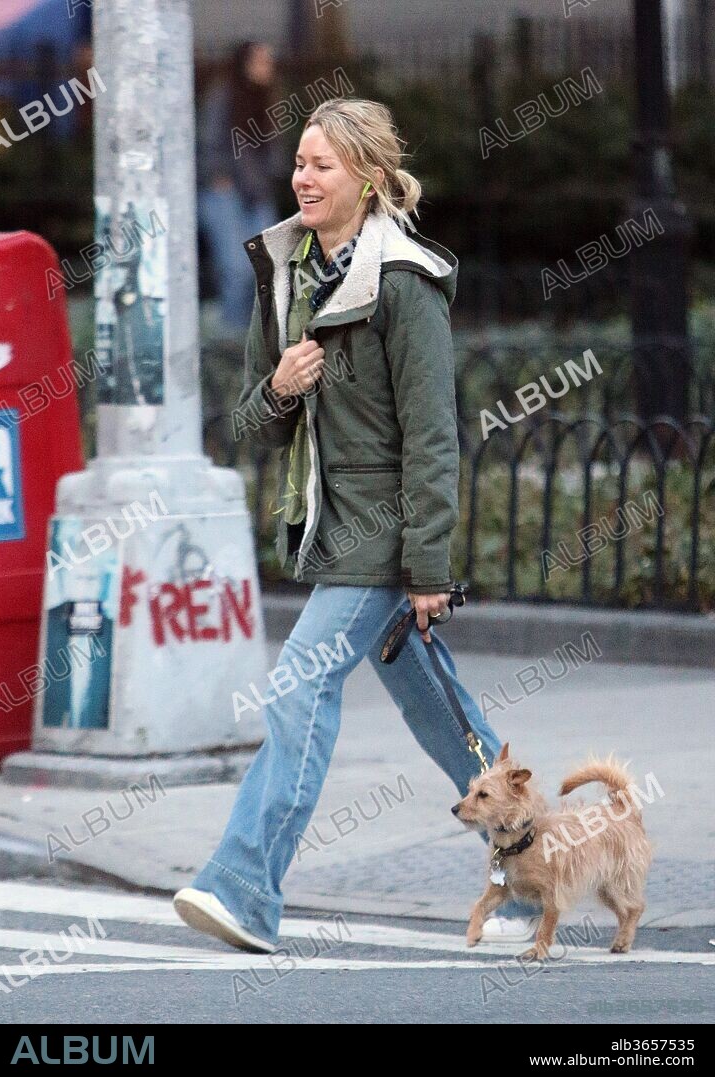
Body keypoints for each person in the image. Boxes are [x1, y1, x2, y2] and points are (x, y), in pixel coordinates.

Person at [175, 97, 539, 951]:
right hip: (331, 528)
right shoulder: (287, 275)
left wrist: (427, 568)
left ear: (369, 179)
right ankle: (538, 868)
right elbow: (247, 423)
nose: (303, 176)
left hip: (385, 535)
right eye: (299, 162)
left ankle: (244, 885)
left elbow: (433, 438)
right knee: (442, 715)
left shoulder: (404, 285)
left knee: (300, 682)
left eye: (322, 164)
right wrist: (281, 388)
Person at [196, 41, 281, 335]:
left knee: (266, 267)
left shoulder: (267, 99)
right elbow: (209, 140)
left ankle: (254, 336)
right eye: (260, 61)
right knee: (236, 267)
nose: (267, 66)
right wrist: (217, 175)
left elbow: (274, 152)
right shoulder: (224, 96)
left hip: (257, 193)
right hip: (224, 191)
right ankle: (230, 337)